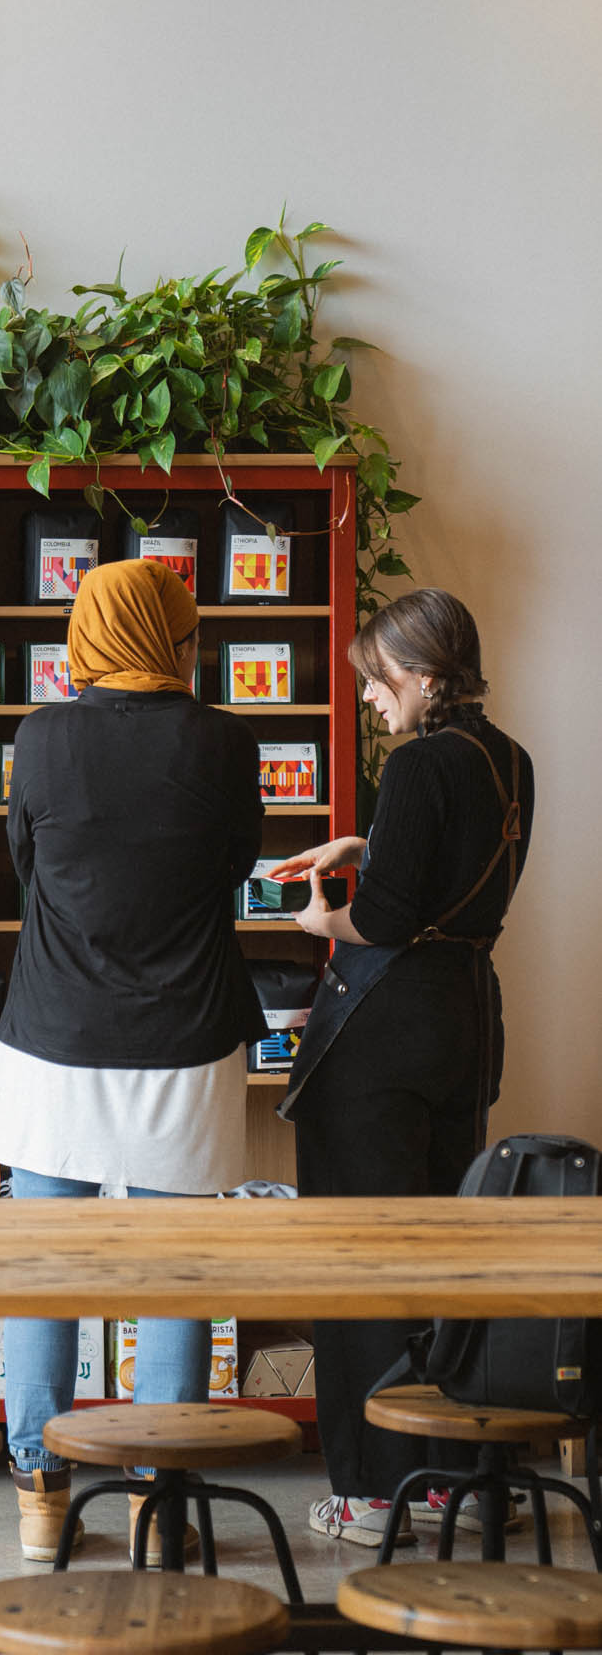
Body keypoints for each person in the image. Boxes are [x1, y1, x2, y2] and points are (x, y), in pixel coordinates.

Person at [0, 556, 267, 1561]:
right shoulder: (225, 742)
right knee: (173, 1275)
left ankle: (40, 1495)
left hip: (53, 1035)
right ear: (173, 636)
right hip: (185, 1039)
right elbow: (237, 866)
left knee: (43, 1272)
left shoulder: (40, 737)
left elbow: (27, 865)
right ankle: (159, 1497)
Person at [269, 587, 534, 1547]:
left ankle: (369, 1492)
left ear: (424, 674)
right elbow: (456, 873)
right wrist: (365, 845)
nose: (374, 701)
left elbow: (380, 919)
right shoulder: (510, 761)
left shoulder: (421, 761)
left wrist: (318, 919)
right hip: (465, 1023)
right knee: (436, 1254)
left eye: (379, 683)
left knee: (356, 1261)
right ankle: (440, 1479)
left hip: (381, 1033)